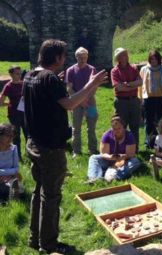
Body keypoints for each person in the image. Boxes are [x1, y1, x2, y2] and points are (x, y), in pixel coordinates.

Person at [23, 39, 107, 254]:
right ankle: (49, 244)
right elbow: (70, 104)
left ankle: (35, 238)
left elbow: (46, 99)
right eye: (64, 55)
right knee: (51, 196)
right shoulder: (49, 78)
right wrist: (92, 84)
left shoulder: (31, 75)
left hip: (34, 142)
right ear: (57, 58)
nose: (65, 59)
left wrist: (57, 85)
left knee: (40, 191)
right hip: (50, 146)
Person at [87, 115, 141, 183]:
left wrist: (123, 156)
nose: (117, 130)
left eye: (119, 128)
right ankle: (93, 178)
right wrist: (110, 157)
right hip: (108, 160)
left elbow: (131, 154)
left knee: (135, 161)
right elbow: (103, 153)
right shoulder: (107, 135)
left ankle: (115, 176)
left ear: (123, 127)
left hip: (124, 161)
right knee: (93, 157)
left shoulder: (129, 136)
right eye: (114, 128)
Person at [65, 47, 98, 158]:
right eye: (80, 57)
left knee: (91, 127)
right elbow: (69, 88)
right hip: (75, 103)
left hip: (90, 102)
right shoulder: (70, 70)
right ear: (76, 57)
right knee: (76, 128)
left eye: (84, 57)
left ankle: (92, 150)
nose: (83, 59)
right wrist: (79, 100)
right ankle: (76, 151)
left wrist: (85, 99)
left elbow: (94, 87)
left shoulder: (92, 69)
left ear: (87, 57)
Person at [111, 48, 143, 151]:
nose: (126, 56)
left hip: (134, 100)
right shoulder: (114, 71)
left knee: (135, 126)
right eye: (123, 55)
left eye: (126, 54)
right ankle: (121, 149)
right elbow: (118, 87)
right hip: (121, 102)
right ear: (118, 58)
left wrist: (127, 84)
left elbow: (140, 82)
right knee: (120, 127)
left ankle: (134, 149)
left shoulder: (133, 68)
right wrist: (133, 85)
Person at [0, 66, 27, 160]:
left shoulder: (23, 84)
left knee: (28, 134)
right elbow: (1, 102)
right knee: (16, 136)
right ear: (11, 74)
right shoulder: (8, 86)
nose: (19, 76)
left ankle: (30, 154)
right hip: (14, 115)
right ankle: (18, 156)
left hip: (25, 113)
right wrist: (10, 103)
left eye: (20, 73)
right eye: (17, 74)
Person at [0, 123, 21, 202]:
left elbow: (16, 168)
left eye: (12, 136)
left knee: (17, 182)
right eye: (8, 135)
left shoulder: (14, 148)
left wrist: (8, 176)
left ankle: (12, 194)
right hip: (5, 176)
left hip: (10, 177)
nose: (11, 138)